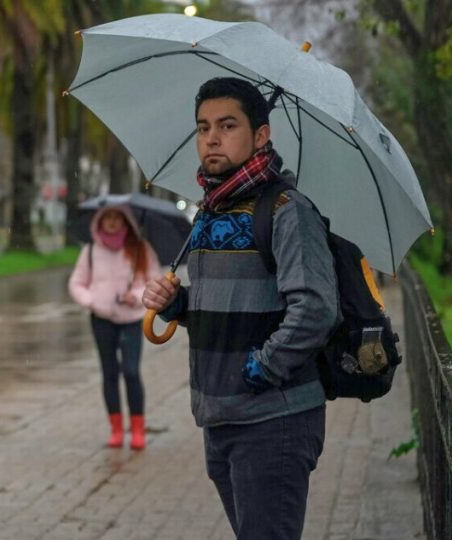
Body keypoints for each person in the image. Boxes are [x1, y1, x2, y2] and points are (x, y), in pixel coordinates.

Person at [142, 77, 339, 538]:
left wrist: (260, 369)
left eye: (227, 125)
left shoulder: (287, 210)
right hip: (220, 417)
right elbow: (224, 305)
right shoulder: (211, 211)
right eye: (203, 127)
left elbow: (315, 309)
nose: (211, 138)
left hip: (273, 420)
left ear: (261, 135)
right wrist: (177, 305)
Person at [69, 205, 161, 450]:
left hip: (131, 319)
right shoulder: (90, 251)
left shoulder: (140, 248)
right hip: (102, 320)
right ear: (99, 222)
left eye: (117, 217)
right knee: (109, 373)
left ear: (126, 221)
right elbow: (77, 283)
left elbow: (154, 281)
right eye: (107, 217)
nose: (112, 222)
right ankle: (116, 429)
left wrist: (137, 295)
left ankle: (138, 429)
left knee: (131, 371)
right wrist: (92, 300)